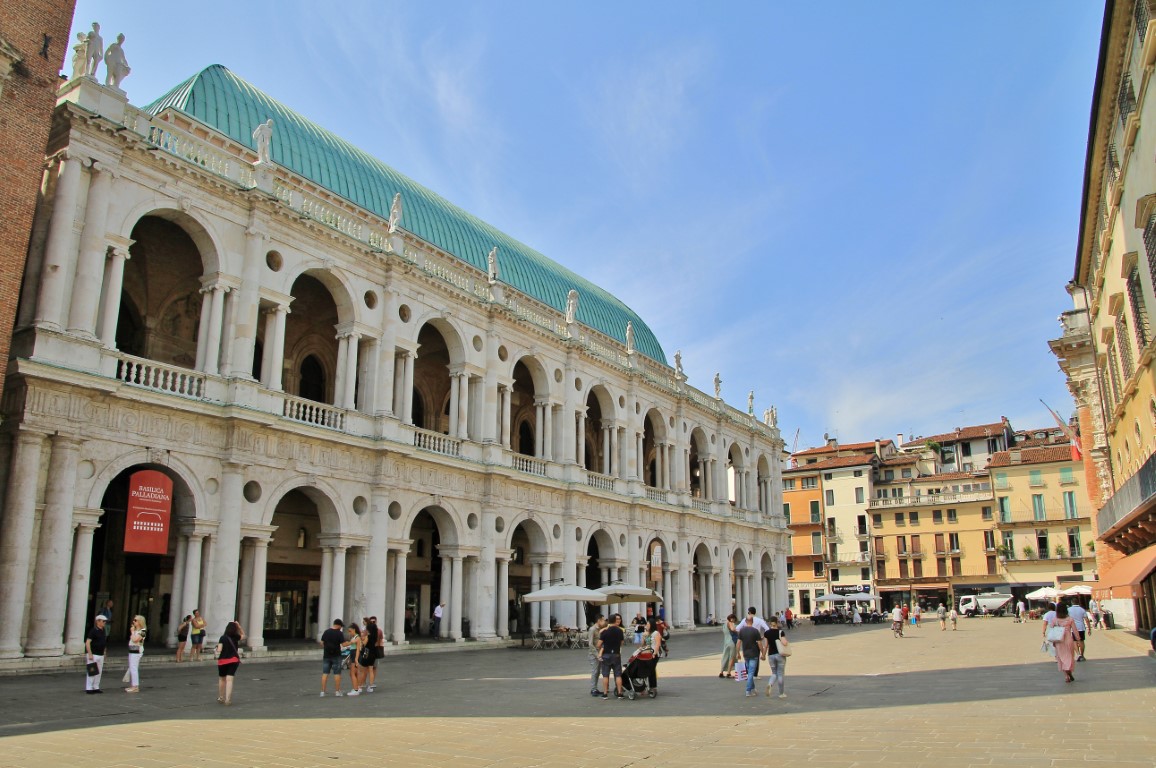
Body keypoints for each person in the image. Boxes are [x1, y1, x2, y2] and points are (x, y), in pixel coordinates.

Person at [1044, 603, 1079, 683]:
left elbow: (1051, 629)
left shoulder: (1055, 620)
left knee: (1061, 658)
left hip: (1059, 640)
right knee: (1069, 656)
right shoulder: (1070, 619)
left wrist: (1050, 641)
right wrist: (1078, 638)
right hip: (1068, 639)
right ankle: (1069, 670)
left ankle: (1066, 675)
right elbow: (1075, 630)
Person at [734, 614, 765, 697]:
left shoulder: (742, 631)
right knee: (751, 673)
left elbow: (738, 643)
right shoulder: (755, 631)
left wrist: (738, 653)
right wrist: (763, 653)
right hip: (754, 654)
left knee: (749, 671)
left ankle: (753, 688)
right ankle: (748, 690)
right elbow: (759, 644)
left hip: (746, 654)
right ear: (753, 621)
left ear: (745, 621)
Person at [597, 613, 626, 700]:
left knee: (605, 675)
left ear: (609, 621)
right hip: (616, 654)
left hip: (606, 654)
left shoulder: (605, 631)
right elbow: (621, 643)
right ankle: (620, 693)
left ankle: (605, 693)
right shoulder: (620, 631)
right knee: (618, 675)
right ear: (615, 620)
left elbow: (599, 644)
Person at [215, 621, 244, 705]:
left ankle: (221, 697)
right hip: (233, 660)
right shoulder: (236, 637)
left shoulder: (222, 638)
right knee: (230, 679)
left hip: (223, 661)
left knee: (222, 679)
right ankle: (228, 699)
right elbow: (244, 635)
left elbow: (219, 650)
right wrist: (239, 627)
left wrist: (216, 648)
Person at [320, 618, 346, 697]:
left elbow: (321, 642)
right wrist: (351, 643)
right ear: (338, 625)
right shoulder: (339, 633)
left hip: (327, 655)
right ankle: (337, 691)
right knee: (337, 673)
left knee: (325, 673)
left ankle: (322, 691)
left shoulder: (326, 632)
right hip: (336, 655)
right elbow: (343, 644)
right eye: (341, 626)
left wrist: (326, 647)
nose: (341, 628)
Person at [763, 616, 788, 699]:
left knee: (774, 673)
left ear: (770, 623)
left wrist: (763, 655)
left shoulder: (766, 633)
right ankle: (781, 693)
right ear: (777, 622)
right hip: (780, 655)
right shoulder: (780, 632)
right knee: (780, 674)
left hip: (771, 655)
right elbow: (784, 643)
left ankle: (770, 684)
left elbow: (766, 646)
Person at [85, 614, 109, 694]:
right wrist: (90, 654)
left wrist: (105, 652)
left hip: (100, 654)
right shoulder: (93, 630)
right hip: (94, 654)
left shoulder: (103, 630)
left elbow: (104, 642)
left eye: (105, 621)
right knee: (92, 671)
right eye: (103, 621)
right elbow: (88, 642)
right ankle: (89, 687)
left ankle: (96, 686)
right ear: (98, 621)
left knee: (99, 671)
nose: (104, 623)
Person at [124, 615, 146, 693]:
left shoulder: (143, 631)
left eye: (135, 620)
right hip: (132, 650)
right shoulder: (137, 630)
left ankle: (135, 686)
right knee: (132, 667)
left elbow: (135, 639)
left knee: (133, 668)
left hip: (137, 650)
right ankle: (133, 685)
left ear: (140, 622)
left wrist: (132, 631)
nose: (134, 621)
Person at [587, 614, 607, 697]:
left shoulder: (601, 629)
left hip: (600, 653)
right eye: (602, 620)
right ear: (598, 621)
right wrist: (596, 654)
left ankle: (595, 688)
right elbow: (590, 644)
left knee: (599, 672)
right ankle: (593, 689)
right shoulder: (592, 629)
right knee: (595, 671)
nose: (604, 622)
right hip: (594, 653)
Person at [345, 623, 365, 695]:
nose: (349, 633)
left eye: (350, 631)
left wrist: (356, 659)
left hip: (355, 656)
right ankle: (356, 687)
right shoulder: (355, 637)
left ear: (354, 630)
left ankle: (355, 689)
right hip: (353, 655)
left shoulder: (357, 638)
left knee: (352, 673)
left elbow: (357, 650)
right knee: (354, 673)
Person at [363, 616, 381, 692]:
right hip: (373, 652)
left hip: (367, 652)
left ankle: (362, 684)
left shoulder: (368, 636)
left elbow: (363, 644)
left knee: (364, 669)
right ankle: (370, 685)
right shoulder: (375, 636)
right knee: (371, 669)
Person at [719, 614, 738, 678]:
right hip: (732, 641)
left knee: (725, 656)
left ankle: (721, 672)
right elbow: (732, 629)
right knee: (732, 657)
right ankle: (728, 673)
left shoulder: (724, 625)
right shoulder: (731, 623)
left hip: (726, 642)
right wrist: (738, 631)